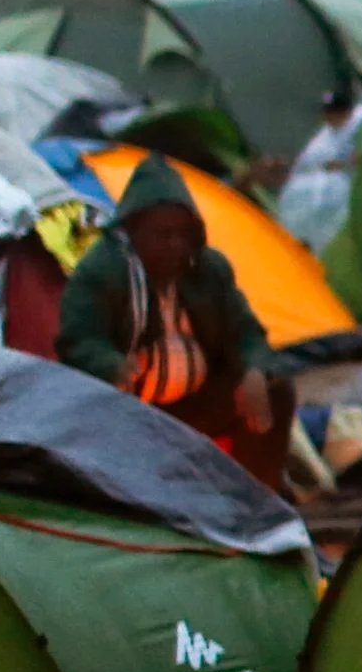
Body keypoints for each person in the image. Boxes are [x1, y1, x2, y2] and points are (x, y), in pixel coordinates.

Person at [56, 156, 288, 493]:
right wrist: (111, 364)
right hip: (134, 415)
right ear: (133, 232)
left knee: (276, 391)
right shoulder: (103, 271)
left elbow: (247, 332)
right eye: (162, 236)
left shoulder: (208, 270)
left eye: (183, 235)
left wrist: (254, 370)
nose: (175, 246)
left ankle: (254, 499)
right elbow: (77, 339)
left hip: (195, 407)